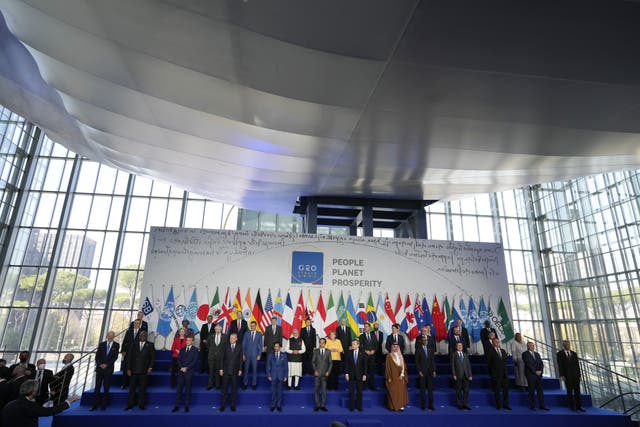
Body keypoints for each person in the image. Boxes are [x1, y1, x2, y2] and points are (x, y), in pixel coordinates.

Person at [1, 380, 78, 427]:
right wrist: (68, 402)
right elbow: (50, 411)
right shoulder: (30, 406)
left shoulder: (10, 403)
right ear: (33, 391)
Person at [125, 331, 155, 410]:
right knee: (132, 389)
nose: (143, 336)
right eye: (142, 335)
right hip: (133, 370)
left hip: (144, 371)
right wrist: (128, 368)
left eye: (145, 335)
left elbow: (152, 358)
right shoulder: (133, 344)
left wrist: (150, 367)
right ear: (139, 336)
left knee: (142, 389)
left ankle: (141, 404)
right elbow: (129, 358)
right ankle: (130, 404)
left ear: (146, 337)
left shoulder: (150, 345)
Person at [91, 331, 119, 410]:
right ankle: (94, 405)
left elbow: (115, 357)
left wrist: (107, 365)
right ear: (107, 336)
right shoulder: (102, 344)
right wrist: (100, 364)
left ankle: (103, 405)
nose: (110, 337)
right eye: (109, 335)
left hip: (108, 369)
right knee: (97, 387)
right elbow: (97, 356)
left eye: (112, 336)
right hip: (100, 369)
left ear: (114, 336)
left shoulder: (116, 345)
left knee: (106, 388)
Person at [172, 336, 198, 413]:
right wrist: (181, 367)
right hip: (181, 371)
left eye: (189, 340)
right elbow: (178, 360)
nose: (188, 342)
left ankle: (186, 406)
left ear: (192, 341)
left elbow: (194, 361)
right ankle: (177, 405)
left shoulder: (195, 350)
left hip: (189, 372)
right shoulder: (182, 349)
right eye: (187, 340)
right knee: (179, 389)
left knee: (188, 389)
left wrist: (186, 368)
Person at [557, 340, 584, 412]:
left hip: (575, 375)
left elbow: (577, 365)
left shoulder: (574, 354)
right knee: (569, 391)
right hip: (567, 375)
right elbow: (560, 365)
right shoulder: (560, 354)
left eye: (568, 344)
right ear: (563, 345)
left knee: (577, 390)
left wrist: (579, 375)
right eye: (565, 345)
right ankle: (572, 406)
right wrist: (562, 375)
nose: (567, 346)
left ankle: (579, 406)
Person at [219, 332, 243, 412]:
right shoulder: (225, 346)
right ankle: (222, 405)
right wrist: (221, 369)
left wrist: (240, 369)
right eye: (230, 338)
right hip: (225, 371)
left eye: (233, 338)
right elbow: (222, 358)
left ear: (236, 339)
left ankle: (232, 405)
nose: (231, 340)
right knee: (224, 389)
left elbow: (240, 359)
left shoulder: (239, 346)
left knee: (234, 390)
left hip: (235, 371)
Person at [522, 341, 548, 411]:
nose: (532, 347)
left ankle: (542, 405)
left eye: (533, 345)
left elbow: (541, 363)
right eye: (530, 345)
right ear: (527, 347)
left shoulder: (537, 354)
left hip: (538, 375)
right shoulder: (525, 354)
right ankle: (532, 406)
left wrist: (540, 371)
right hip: (531, 375)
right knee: (531, 391)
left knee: (540, 391)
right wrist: (535, 371)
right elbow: (528, 364)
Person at [487, 337, 510, 410]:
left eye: (498, 341)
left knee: (506, 390)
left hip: (504, 374)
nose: (497, 343)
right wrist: (492, 373)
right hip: (496, 374)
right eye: (495, 342)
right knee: (497, 390)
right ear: (493, 343)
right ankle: (498, 405)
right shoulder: (490, 351)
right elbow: (489, 363)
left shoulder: (503, 351)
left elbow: (505, 362)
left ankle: (506, 404)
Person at [414, 334, 436, 410]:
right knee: (422, 390)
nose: (425, 341)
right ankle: (423, 405)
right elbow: (417, 362)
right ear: (421, 341)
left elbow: (432, 360)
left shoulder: (430, 349)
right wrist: (419, 371)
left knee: (430, 390)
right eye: (423, 340)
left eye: (426, 340)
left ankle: (431, 405)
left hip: (430, 372)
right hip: (422, 372)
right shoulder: (418, 350)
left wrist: (434, 370)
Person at [385, 343, 408, 411]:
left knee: (401, 391)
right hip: (392, 376)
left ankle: (400, 405)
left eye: (397, 347)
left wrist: (402, 374)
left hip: (400, 376)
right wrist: (388, 377)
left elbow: (404, 366)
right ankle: (392, 406)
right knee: (393, 391)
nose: (395, 348)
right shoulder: (389, 356)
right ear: (392, 347)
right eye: (394, 347)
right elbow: (387, 367)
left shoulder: (401, 356)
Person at [345, 340, 366, 412]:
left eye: (354, 344)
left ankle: (359, 407)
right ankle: (352, 407)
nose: (353, 345)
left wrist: (364, 374)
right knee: (351, 392)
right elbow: (347, 364)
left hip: (360, 375)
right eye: (352, 344)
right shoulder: (349, 353)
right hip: (351, 375)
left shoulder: (362, 353)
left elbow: (365, 365)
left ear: (358, 345)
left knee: (359, 392)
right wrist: (346, 373)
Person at [121, 319, 142, 389]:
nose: (136, 324)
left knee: (134, 370)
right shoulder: (129, 331)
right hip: (128, 353)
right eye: (135, 323)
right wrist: (123, 350)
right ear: (133, 324)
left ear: (140, 324)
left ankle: (132, 385)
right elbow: (124, 342)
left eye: (138, 323)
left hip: (136, 355)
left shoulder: (142, 332)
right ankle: (124, 384)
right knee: (125, 369)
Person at [312, 337, 332, 412]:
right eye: (320, 342)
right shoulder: (315, 351)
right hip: (317, 374)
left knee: (323, 390)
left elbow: (330, 363)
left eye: (323, 342)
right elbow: (313, 362)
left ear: (325, 343)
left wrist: (328, 371)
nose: (322, 344)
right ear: (319, 343)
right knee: (316, 390)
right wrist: (315, 370)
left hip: (325, 374)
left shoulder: (328, 351)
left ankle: (323, 405)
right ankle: (317, 405)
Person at [267, 342, 288, 412]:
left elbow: (286, 366)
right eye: (275, 346)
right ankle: (273, 405)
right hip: (273, 376)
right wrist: (269, 375)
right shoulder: (270, 355)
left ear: (280, 347)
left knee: (279, 392)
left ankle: (279, 405)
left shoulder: (284, 355)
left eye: (277, 346)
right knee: (273, 392)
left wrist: (285, 376)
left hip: (281, 376)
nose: (276, 348)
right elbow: (268, 366)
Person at [242, 321, 263, 390]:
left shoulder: (259, 334)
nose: (252, 327)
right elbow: (243, 344)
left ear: (256, 326)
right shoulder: (246, 333)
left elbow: (260, 345)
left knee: (254, 370)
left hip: (255, 355)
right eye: (251, 326)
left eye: (253, 325)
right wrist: (243, 354)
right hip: (247, 355)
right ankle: (245, 384)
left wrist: (259, 354)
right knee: (246, 370)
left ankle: (254, 384)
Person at [451, 341, 472, 410]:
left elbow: (468, 365)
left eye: (461, 346)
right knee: (458, 390)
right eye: (458, 346)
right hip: (458, 375)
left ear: (462, 347)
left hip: (466, 375)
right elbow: (453, 365)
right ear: (456, 347)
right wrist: (454, 374)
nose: (460, 347)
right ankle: (459, 404)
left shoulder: (465, 354)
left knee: (466, 390)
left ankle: (465, 404)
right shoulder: (454, 354)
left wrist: (470, 375)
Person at [207, 323, 227, 390]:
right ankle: (210, 385)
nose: (218, 330)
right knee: (211, 371)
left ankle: (217, 385)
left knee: (218, 371)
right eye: (216, 329)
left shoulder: (225, 336)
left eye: (219, 329)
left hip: (220, 357)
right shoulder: (210, 336)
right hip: (211, 357)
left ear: (221, 329)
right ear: (214, 329)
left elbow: (226, 347)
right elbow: (208, 345)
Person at [359, 323, 377, 390]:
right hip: (365, 356)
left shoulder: (373, 335)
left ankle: (372, 386)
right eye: (365, 327)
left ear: (369, 328)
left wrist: (374, 351)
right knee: (364, 371)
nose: (365, 328)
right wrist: (365, 351)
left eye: (367, 327)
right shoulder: (361, 336)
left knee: (372, 371)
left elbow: (376, 345)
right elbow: (360, 346)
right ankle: (363, 386)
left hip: (372, 356)